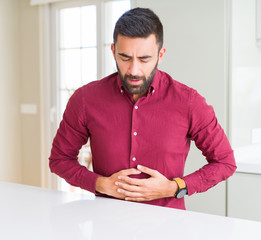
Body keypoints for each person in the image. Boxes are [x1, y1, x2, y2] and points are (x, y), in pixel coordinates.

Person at [49, 7, 236, 210]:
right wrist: (100, 184)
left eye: (144, 59)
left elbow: (225, 162)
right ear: (113, 52)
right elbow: (60, 160)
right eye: (125, 57)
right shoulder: (85, 99)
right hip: (106, 224)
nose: (134, 70)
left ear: (160, 55)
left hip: (169, 227)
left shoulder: (189, 102)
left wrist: (175, 187)